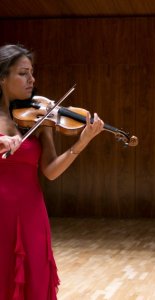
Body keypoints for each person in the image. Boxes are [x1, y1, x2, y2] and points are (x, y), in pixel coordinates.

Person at [0, 44, 104, 299]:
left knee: (35, 279)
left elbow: (50, 171)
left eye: (32, 72)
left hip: (32, 213)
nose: (32, 79)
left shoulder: (38, 118)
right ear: (2, 77)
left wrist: (82, 142)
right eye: (23, 73)